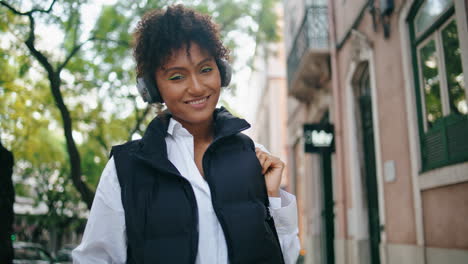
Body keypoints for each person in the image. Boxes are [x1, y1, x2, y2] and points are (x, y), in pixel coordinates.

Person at [72, 4, 300, 264]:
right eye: (177, 77)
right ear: (152, 88)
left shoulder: (255, 157)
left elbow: (286, 256)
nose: (197, 87)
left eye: (205, 70)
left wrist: (273, 197)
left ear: (222, 71)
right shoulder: (125, 170)